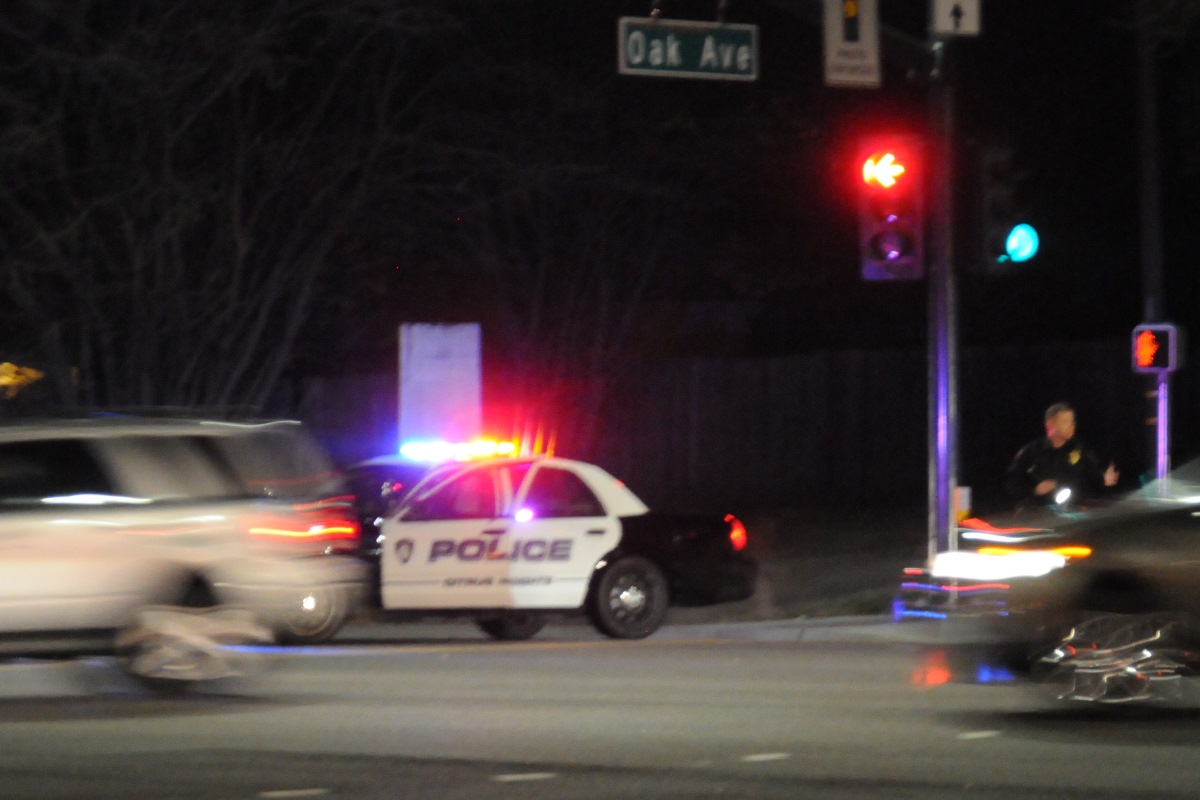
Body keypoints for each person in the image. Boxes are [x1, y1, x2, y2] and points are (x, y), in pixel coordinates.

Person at [1005, 402, 1119, 513]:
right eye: (1065, 421)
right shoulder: (1031, 451)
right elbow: (1012, 483)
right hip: (1038, 512)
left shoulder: (1079, 450)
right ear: (1050, 424)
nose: (1071, 425)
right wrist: (1035, 490)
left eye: (1072, 421)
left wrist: (1105, 480)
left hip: (1072, 513)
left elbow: (1094, 475)